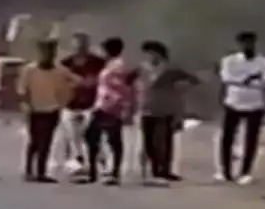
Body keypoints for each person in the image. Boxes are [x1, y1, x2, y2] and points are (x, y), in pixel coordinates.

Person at [137, 40, 198, 185]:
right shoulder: (142, 68)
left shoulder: (171, 69)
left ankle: (164, 170)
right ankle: (155, 169)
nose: (149, 56)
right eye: (147, 54)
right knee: (149, 143)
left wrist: (181, 88)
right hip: (147, 109)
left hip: (165, 110)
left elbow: (193, 80)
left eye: (152, 53)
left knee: (163, 142)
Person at [217, 30, 265, 185]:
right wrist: (251, 79)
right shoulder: (229, 60)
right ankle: (225, 171)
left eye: (250, 43)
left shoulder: (264, 62)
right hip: (233, 102)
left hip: (255, 104)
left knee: (251, 139)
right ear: (239, 44)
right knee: (227, 138)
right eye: (244, 43)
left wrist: (244, 81)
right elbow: (227, 78)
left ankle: (245, 172)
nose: (247, 46)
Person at [81, 37, 138, 186]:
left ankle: (112, 173)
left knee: (111, 139)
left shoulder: (118, 66)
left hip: (111, 106)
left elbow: (123, 88)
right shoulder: (112, 65)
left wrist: (123, 106)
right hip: (102, 105)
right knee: (92, 136)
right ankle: (96, 171)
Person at [17, 39, 75, 182]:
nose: (48, 54)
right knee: (35, 141)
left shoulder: (60, 71)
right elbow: (22, 91)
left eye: (51, 51)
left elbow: (76, 81)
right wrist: (27, 106)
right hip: (34, 109)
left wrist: (65, 98)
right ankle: (29, 170)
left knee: (46, 142)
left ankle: (41, 172)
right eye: (45, 51)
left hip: (52, 109)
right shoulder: (29, 70)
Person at [59, 33, 105, 175]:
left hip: (91, 104)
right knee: (72, 136)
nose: (79, 48)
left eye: (82, 45)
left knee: (90, 135)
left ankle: (98, 160)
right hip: (70, 104)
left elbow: (104, 80)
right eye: (76, 45)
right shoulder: (66, 63)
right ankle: (77, 161)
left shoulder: (98, 62)